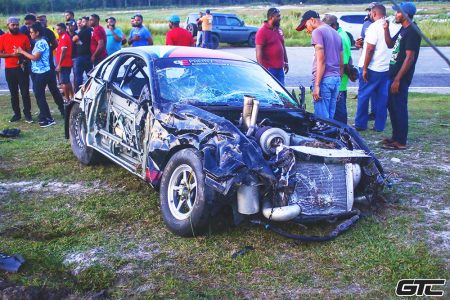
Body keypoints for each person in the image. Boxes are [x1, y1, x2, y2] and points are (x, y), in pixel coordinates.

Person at [382, 2, 421, 150]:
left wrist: (398, 79)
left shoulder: (412, 31)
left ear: (405, 14)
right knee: (392, 107)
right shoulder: (403, 29)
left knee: (399, 108)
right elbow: (390, 44)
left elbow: (409, 58)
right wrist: (385, 29)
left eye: (397, 12)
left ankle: (401, 142)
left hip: (401, 77)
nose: (395, 15)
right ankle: (395, 137)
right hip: (393, 75)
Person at [296, 10, 343, 119]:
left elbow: (321, 61)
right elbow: (341, 63)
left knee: (322, 121)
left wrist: (317, 85)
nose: (307, 30)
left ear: (312, 20)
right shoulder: (336, 33)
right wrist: (338, 82)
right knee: (330, 119)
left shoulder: (317, 32)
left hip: (324, 81)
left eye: (306, 26)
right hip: (335, 79)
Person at [354, 4, 391, 132]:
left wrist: (365, 68)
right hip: (386, 67)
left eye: (371, 13)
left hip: (371, 67)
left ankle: (360, 124)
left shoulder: (373, 27)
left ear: (374, 14)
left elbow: (370, 49)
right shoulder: (391, 24)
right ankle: (379, 125)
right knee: (382, 97)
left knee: (364, 95)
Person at [15, 23, 56, 128]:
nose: (30, 34)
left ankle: (47, 118)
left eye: (32, 32)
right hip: (40, 72)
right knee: (39, 96)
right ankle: (46, 116)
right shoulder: (39, 42)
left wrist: (22, 51)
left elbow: (35, 57)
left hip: (41, 73)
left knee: (39, 96)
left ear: (37, 33)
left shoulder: (41, 43)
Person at [0, 17, 32, 123]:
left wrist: (23, 57)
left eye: (17, 24)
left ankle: (28, 114)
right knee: (13, 93)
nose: (15, 27)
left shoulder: (24, 37)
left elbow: (29, 51)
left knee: (25, 92)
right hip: (9, 69)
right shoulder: (3, 38)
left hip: (22, 68)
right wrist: (11, 55)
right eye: (13, 25)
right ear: (8, 25)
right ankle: (17, 114)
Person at [322, 14, 352, 124]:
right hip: (339, 79)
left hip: (339, 79)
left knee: (339, 112)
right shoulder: (339, 34)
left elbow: (342, 63)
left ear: (334, 26)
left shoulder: (340, 37)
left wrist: (337, 82)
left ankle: (343, 133)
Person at [255, 8, 289, 86]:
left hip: (280, 68)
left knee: (281, 91)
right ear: (271, 17)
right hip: (269, 69)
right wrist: (262, 69)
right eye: (278, 16)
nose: (280, 18)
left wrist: (286, 62)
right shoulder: (262, 32)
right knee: (271, 90)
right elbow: (259, 52)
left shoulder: (279, 30)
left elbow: (283, 47)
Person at [72, 16, 92, 92]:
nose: (82, 24)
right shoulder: (91, 30)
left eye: (83, 22)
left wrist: (78, 41)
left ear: (87, 22)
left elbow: (74, 39)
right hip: (88, 56)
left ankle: (78, 92)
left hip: (81, 57)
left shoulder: (84, 30)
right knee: (89, 75)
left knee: (78, 77)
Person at [55, 22, 73, 102]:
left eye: (59, 29)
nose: (57, 31)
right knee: (67, 81)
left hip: (64, 63)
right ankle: (71, 96)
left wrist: (59, 64)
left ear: (64, 29)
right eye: (56, 29)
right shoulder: (61, 37)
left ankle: (67, 98)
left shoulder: (64, 37)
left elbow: (64, 51)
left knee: (64, 82)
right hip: (65, 63)